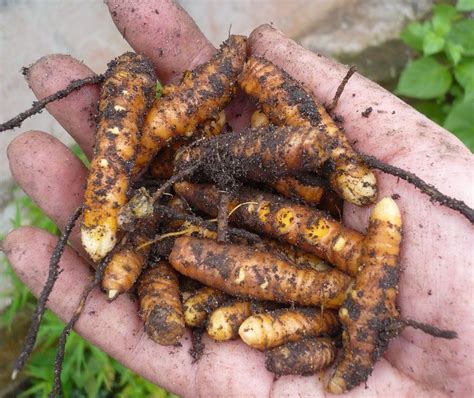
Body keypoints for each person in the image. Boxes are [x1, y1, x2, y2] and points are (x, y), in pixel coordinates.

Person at [3, 1, 473, 396]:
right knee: (155, 181)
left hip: (274, 228)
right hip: (199, 210)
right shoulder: (178, 203)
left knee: (284, 232)